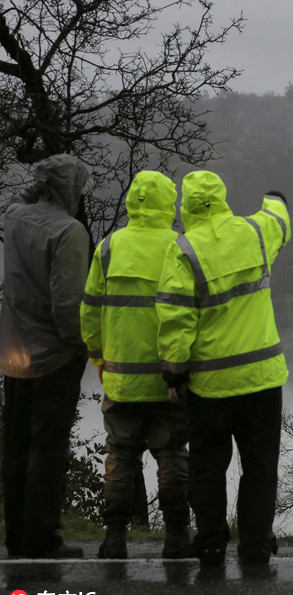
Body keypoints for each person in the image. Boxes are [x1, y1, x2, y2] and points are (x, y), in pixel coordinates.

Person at [156, 171, 290, 567]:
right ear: (223, 197)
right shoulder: (254, 233)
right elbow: (280, 217)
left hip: (211, 384)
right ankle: (255, 545)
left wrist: (175, 373)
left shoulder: (185, 251)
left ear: (186, 206)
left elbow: (176, 318)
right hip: (262, 379)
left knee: (208, 466)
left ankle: (212, 541)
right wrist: (273, 194)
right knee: (261, 465)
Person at [80, 170, 192, 559]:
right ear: (168, 204)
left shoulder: (109, 248)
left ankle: (114, 537)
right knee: (173, 452)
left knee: (121, 455)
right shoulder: (179, 247)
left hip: (121, 378)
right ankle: (177, 536)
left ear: (132, 202)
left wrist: (97, 357)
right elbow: (189, 314)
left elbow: (90, 312)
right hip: (167, 379)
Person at [0, 154, 91, 558]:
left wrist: (36, 186)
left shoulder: (16, 218)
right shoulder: (69, 232)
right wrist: (80, 344)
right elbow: (67, 305)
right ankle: (42, 537)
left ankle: (17, 536)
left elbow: (16, 200)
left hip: (13, 352)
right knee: (48, 449)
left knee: (16, 446)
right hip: (53, 357)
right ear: (70, 189)